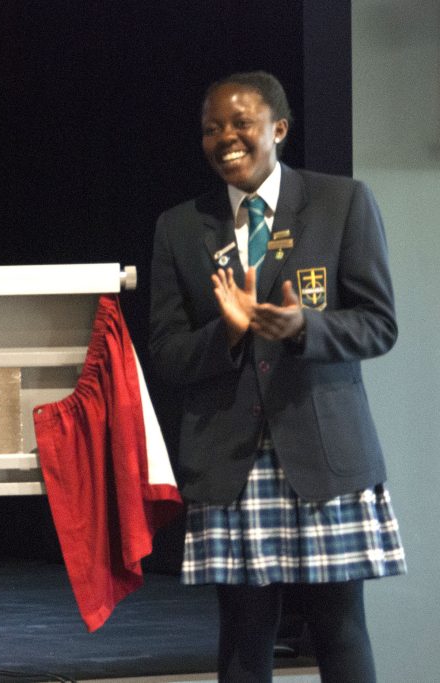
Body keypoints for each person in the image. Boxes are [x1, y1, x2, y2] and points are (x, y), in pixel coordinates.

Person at [148, 71, 406, 682]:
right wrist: (230, 332)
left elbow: (378, 325)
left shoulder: (342, 202)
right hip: (229, 459)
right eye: (213, 128)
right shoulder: (180, 227)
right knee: (242, 635)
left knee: (340, 628)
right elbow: (167, 354)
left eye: (241, 124)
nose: (226, 138)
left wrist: (303, 328)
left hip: (324, 449)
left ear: (278, 130)